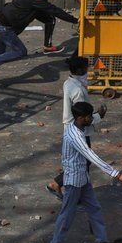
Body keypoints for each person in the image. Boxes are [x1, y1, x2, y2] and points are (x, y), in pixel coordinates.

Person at [47, 102, 122, 243]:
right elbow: (91, 156)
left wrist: (99, 114)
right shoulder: (75, 136)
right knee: (67, 214)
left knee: (94, 208)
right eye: (88, 117)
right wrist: (117, 174)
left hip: (83, 178)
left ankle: (102, 241)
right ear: (80, 118)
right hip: (73, 181)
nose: (90, 119)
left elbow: (92, 121)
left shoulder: (78, 127)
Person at [47, 56, 107, 197]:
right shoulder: (78, 91)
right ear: (80, 70)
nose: (88, 71)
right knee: (83, 162)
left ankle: (68, 187)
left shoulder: (69, 82)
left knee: (78, 162)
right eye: (86, 68)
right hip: (78, 131)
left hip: (71, 128)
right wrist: (99, 115)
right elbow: (83, 117)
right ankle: (58, 185)